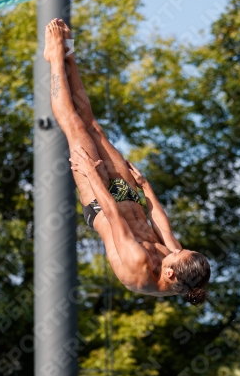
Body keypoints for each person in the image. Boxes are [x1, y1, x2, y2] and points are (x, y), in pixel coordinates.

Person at [43, 18, 210, 305]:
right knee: (94, 127)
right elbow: (162, 226)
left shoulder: (138, 267)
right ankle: (70, 55)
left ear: (169, 274)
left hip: (102, 203)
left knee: (75, 126)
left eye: (177, 253)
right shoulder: (181, 265)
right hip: (131, 198)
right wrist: (146, 188)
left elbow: (113, 217)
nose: (176, 249)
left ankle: (55, 58)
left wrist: (90, 175)